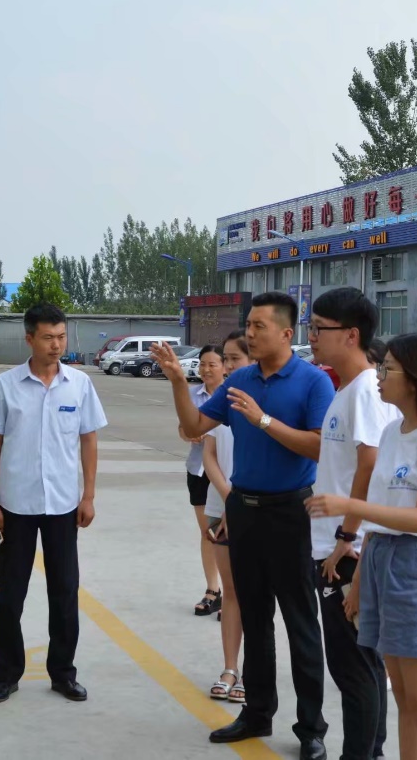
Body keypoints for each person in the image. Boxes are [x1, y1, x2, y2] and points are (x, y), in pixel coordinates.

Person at [153, 291, 335, 760]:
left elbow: (319, 447)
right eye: (248, 325)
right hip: (244, 510)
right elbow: (196, 425)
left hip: (290, 511)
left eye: (259, 326)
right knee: (254, 616)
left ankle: (310, 728)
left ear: (287, 333)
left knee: (299, 620)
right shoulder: (240, 380)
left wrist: (263, 419)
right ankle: (256, 713)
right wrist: (178, 382)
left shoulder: (313, 382)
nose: (250, 333)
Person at [308, 332, 417, 760]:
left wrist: (349, 506)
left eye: (388, 368)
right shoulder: (394, 431)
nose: (378, 375)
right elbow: (382, 515)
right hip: (381, 558)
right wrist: (361, 580)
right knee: (405, 701)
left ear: (416, 379)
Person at [0, 304, 107, 705]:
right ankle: (6, 675)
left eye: (61, 337)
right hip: (16, 506)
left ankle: (63, 673)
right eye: (48, 338)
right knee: (10, 595)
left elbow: (89, 440)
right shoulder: (6, 384)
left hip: (63, 507)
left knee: (65, 592)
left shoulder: (79, 384)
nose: (56, 345)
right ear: (29, 339)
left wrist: (88, 495)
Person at [307, 288, 397, 760]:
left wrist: (346, 535)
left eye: (319, 328)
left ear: (351, 335)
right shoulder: (348, 389)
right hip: (338, 545)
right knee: (362, 663)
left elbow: (371, 464)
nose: (311, 336)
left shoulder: (365, 391)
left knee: (353, 668)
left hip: (347, 552)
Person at [202, 332, 251, 703]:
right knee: (231, 592)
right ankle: (230, 668)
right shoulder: (221, 401)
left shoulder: (263, 405)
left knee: (256, 595)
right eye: (227, 359)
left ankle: (253, 672)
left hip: (255, 507)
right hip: (222, 506)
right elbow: (209, 456)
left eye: (235, 359)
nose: (228, 366)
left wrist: (240, 502)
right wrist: (229, 499)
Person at [183, 348, 223, 619]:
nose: (206, 369)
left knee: (232, 534)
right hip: (198, 470)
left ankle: (234, 595)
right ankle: (213, 591)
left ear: (224, 366)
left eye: (212, 364)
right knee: (208, 532)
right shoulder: (192, 394)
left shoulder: (233, 394)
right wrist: (190, 435)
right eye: (202, 364)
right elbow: (182, 427)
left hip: (228, 471)